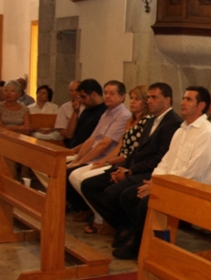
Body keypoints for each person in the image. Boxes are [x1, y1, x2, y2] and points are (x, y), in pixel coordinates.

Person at [115, 86, 211, 259]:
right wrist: (156, 181)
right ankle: (148, 240)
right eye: (184, 98)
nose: (182, 102)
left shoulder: (207, 134)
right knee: (128, 196)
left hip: (193, 190)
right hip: (171, 184)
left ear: (201, 106)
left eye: (188, 100)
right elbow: (165, 161)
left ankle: (144, 247)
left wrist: (159, 187)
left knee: (145, 202)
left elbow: (192, 173)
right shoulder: (181, 130)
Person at [82, 83, 183, 251]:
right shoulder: (151, 121)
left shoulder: (173, 123)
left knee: (115, 193)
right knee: (90, 185)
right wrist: (123, 168)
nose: (149, 101)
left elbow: (160, 158)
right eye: (148, 97)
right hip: (135, 168)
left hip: (150, 172)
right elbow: (137, 151)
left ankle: (133, 232)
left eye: (154, 97)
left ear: (167, 100)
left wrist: (130, 171)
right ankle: (123, 227)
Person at [70, 85, 150, 234]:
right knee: (75, 175)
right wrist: (102, 162)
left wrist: (106, 162)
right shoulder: (130, 120)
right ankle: (98, 215)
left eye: (137, 99)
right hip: (118, 161)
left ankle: (103, 219)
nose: (132, 102)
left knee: (83, 179)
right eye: (132, 98)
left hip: (126, 164)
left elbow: (129, 153)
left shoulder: (146, 122)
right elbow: (120, 146)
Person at [65, 81, 132, 218]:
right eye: (106, 93)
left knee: (72, 174)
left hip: (106, 158)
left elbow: (105, 144)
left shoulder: (124, 115)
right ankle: (82, 208)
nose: (107, 96)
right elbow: (92, 139)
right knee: (64, 168)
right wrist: (78, 159)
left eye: (112, 93)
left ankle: (95, 213)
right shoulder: (106, 113)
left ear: (122, 97)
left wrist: (80, 162)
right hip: (94, 155)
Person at [66, 79, 107, 150]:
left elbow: (94, 141)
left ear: (94, 95)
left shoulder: (105, 112)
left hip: (85, 153)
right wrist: (75, 112)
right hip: (73, 149)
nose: (81, 100)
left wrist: (72, 152)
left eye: (83, 97)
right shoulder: (87, 109)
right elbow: (69, 134)